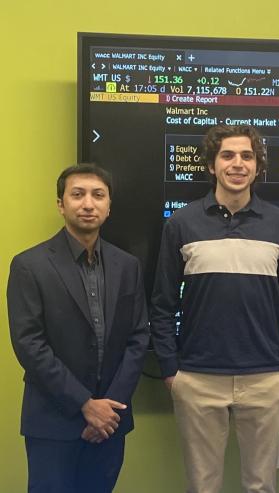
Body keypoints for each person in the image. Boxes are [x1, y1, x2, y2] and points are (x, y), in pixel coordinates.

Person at [150, 124, 279, 493]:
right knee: (203, 487)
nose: (238, 164)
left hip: (266, 379)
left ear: (257, 167)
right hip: (197, 378)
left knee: (261, 486)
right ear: (211, 164)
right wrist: (171, 370)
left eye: (247, 156)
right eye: (228, 155)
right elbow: (162, 304)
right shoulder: (181, 223)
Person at [7, 164, 149, 493]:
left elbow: (139, 337)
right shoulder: (30, 265)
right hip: (53, 422)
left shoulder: (128, 266)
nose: (88, 204)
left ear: (109, 206)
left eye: (98, 195)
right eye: (77, 194)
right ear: (61, 204)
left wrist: (108, 407)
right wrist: (85, 405)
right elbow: (29, 345)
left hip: (111, 423)